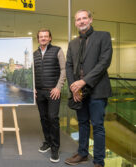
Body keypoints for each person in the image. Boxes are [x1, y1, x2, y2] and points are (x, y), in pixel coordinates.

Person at [65, 9, 112, 167]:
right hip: (79, 92)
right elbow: (69, 66)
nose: (81, 21)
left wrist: (83, 82)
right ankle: (82, 153)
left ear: (90, 19)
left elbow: (104, 63)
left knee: (98, 125)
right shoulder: (72, 43)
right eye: (78, 19)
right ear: (75, 23)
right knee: (82, 123)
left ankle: (99, 161)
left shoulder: (103, 36)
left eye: (84, 18)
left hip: (98, 90)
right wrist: (74, 88)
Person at [33, 28, 66, 163]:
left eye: (46, 36)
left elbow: (64, 70)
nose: (43, 38)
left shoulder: (57, 50)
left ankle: (55, 147)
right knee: (43, 118)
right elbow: (32, 72)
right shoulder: (34, 54)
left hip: (53, 91)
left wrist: (58, 88)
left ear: (50, 38)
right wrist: (32, 87)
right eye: (41, 37)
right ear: (38, 39)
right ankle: (47, 141)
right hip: (39, 92)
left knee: (53, 118)